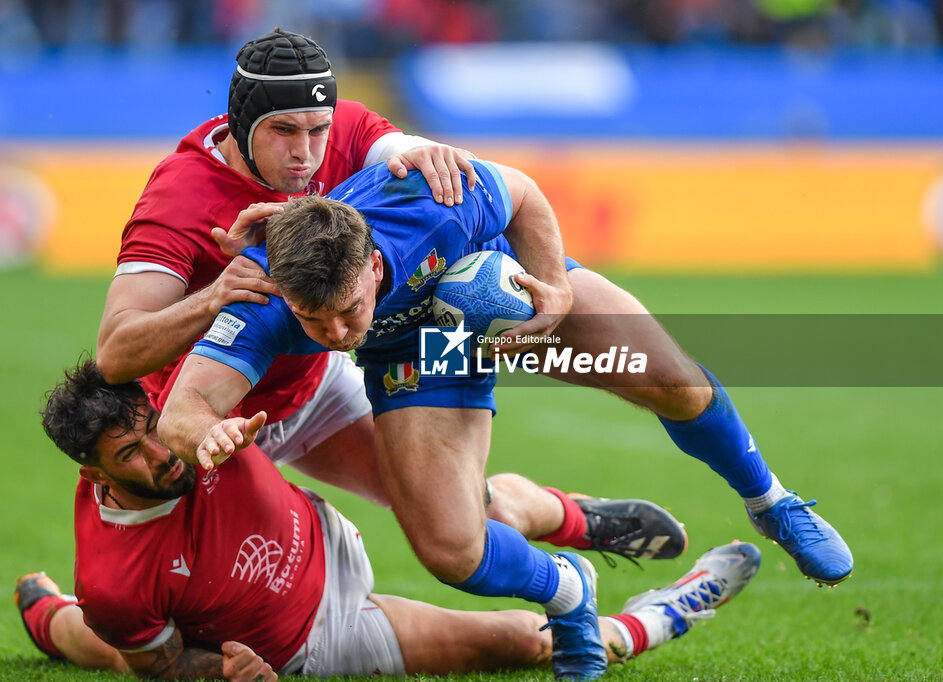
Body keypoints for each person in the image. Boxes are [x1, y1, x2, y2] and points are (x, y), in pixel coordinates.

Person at [158, 159, 853, 679]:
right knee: (450, 551)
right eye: (317, 321)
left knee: (673, 381)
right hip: (422, 351)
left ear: (373, 265)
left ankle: (771, 501)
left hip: (505, 288)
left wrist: (551, 288)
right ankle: (569, 587)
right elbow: (182, 409)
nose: (338, 333)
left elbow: (520, 191)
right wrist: (207, 432)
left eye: (349, 310)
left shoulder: (424, 201)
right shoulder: (265, 296)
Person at [91, 27, 688, 561]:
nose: (305, 153)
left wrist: (427, 152)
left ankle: (573, 519)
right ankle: (49, 612)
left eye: (316, 131)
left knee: (456, 522)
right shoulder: (180, 200)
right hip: (205, 412)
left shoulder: (339, 127)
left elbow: (410, 162)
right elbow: (115, 354)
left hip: (315, 381)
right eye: (283, 132)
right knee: (150, 596)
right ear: (244, 126)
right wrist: (212, 296)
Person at [16, 359, 761, 681]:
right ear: (93, 474)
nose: (162, 451)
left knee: (463, 510)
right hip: (314, 638)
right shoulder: (117, 575)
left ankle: (569, 517)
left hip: (321, 530)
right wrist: (226, 670)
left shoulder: (188, 400)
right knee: (527, 647)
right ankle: (665, 613)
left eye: (153, 426)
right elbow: (167, 665)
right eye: (131, 454)